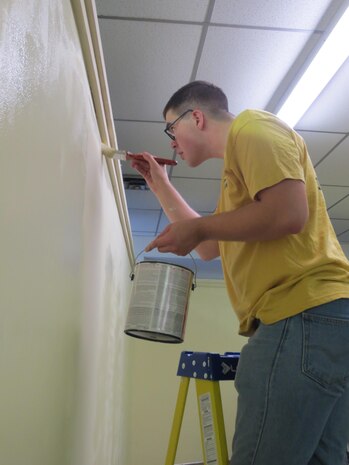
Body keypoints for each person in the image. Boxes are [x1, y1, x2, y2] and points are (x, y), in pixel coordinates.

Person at [131, 80, 349, 465]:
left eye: (172, 129)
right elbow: (209, 247)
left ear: (195, 117)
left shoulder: (253, 128)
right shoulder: (236, 172)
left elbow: (288, 214)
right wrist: (160, 184)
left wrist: (201, 227)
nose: (172, 143)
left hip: (299, 314)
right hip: (324, 318)